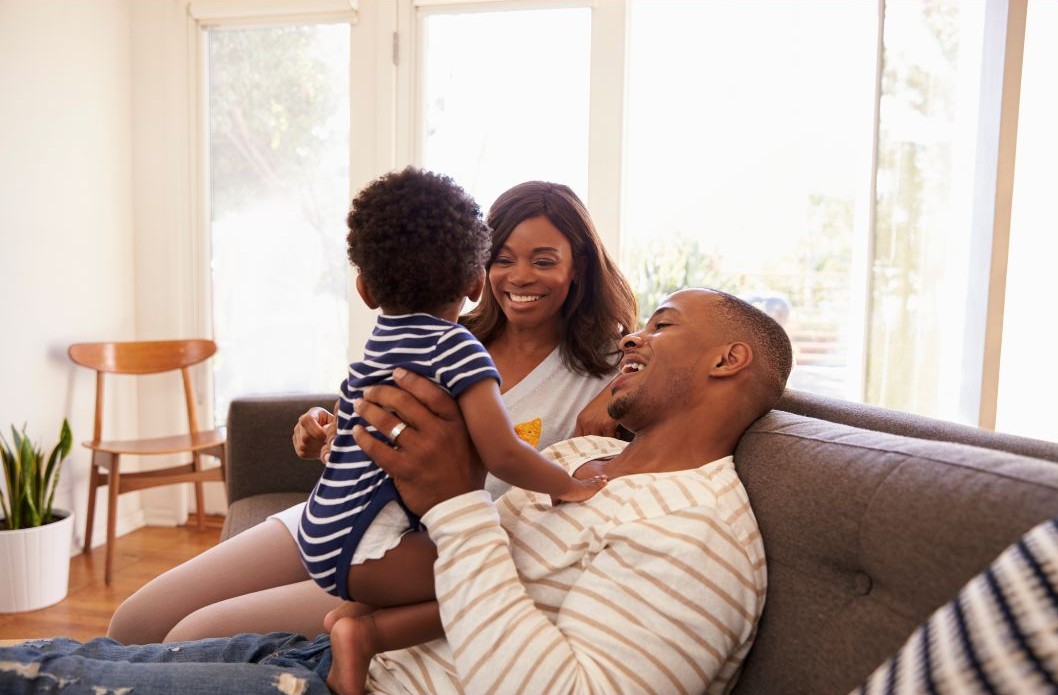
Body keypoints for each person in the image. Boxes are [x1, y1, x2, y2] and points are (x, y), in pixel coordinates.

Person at [0, 288, 795, 695]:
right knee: (67, 654)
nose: (634, 335)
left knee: (38, 678)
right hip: (348, 645)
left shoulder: (697, 533)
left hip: (361, 666)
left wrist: (452, 497)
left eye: (660, 326)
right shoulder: (592, 452)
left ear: (727, 361)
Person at [106, 179, 637, 644]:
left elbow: (684, 367)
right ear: (479, 270)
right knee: (135, 621)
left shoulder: (611, 366)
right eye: (502, 259)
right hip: (342, 520)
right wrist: (328, 433)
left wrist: (619, 391)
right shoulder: (452, 337)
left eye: (544, 260)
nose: (520, 276)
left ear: (579, 266)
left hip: (415, 551)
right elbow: (370, 433)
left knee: (190, 636)